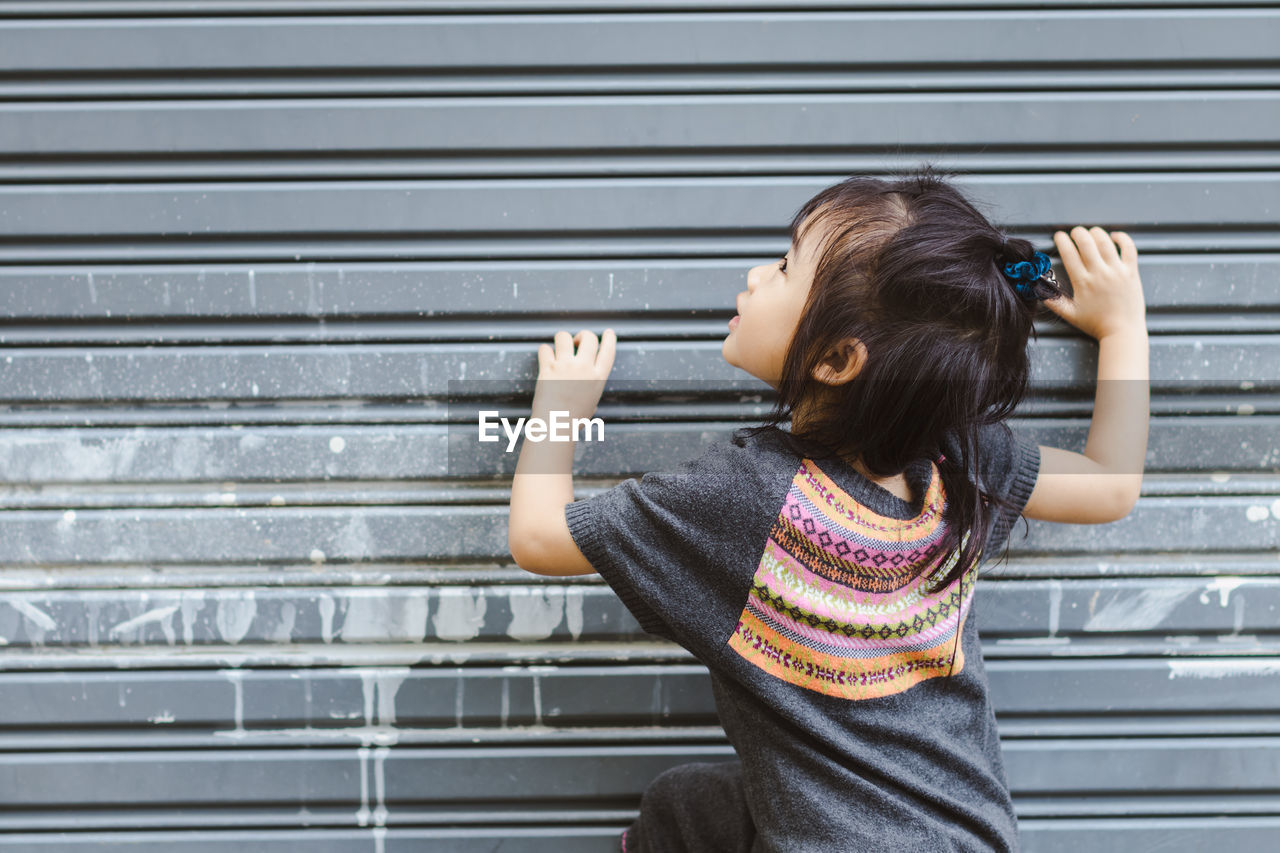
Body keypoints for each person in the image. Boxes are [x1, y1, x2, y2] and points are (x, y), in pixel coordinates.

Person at [506, 168, 1149, 852]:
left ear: (838, 359)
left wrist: (558, 414)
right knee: (696, 804)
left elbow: (539, 538)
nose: (756, 275)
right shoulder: (957, 467)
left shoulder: (748, 496)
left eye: (784, 267)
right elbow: (1111, 482)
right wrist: (1123, 325)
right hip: (969, 840)